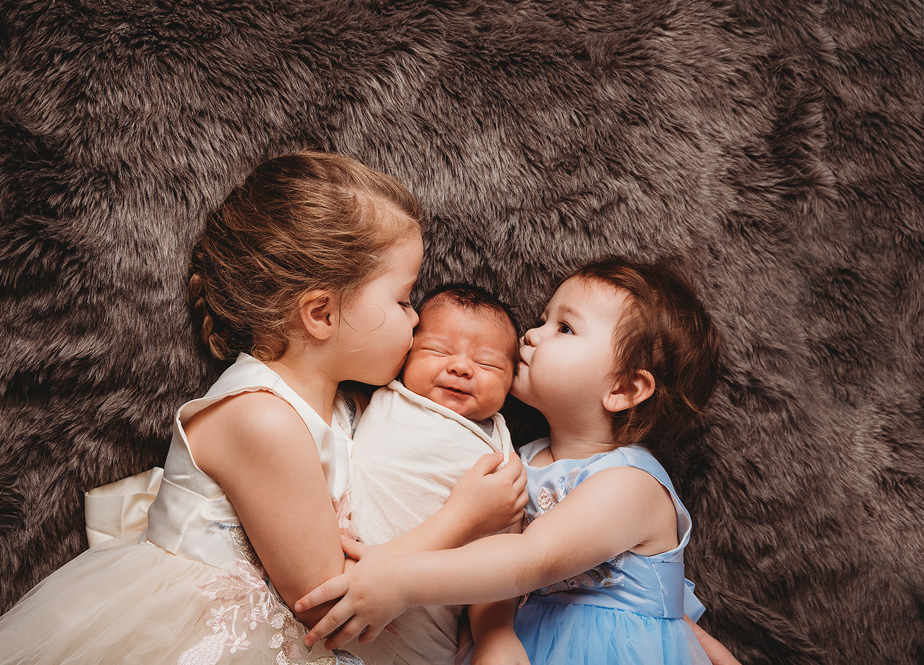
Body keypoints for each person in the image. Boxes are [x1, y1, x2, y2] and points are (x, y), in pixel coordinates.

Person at [0, 151, 525, 665]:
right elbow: (332, 599)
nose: (419, 319)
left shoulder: (347, 403)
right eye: (402, 299)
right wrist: (464, 519)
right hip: (205, 637)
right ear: (319, 315)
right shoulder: (260, 417)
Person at [295, 257, 734, 664]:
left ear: (622, 389)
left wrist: (400, 580)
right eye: (543, 318)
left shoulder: (630, 483)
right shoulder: (515, 459)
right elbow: (486, 562)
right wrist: (492, 631)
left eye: (563, 328)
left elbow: (531, 559)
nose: (531, 333)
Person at [347, 284, 521, 664]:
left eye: (488, 364)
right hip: (339, 578)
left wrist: (496, 631)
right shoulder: (379, 395)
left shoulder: (503, 454)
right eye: (437, 351)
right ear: (405, 355)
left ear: (512, 384)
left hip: (424, 630)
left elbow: (500, 552)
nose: (460, 367)